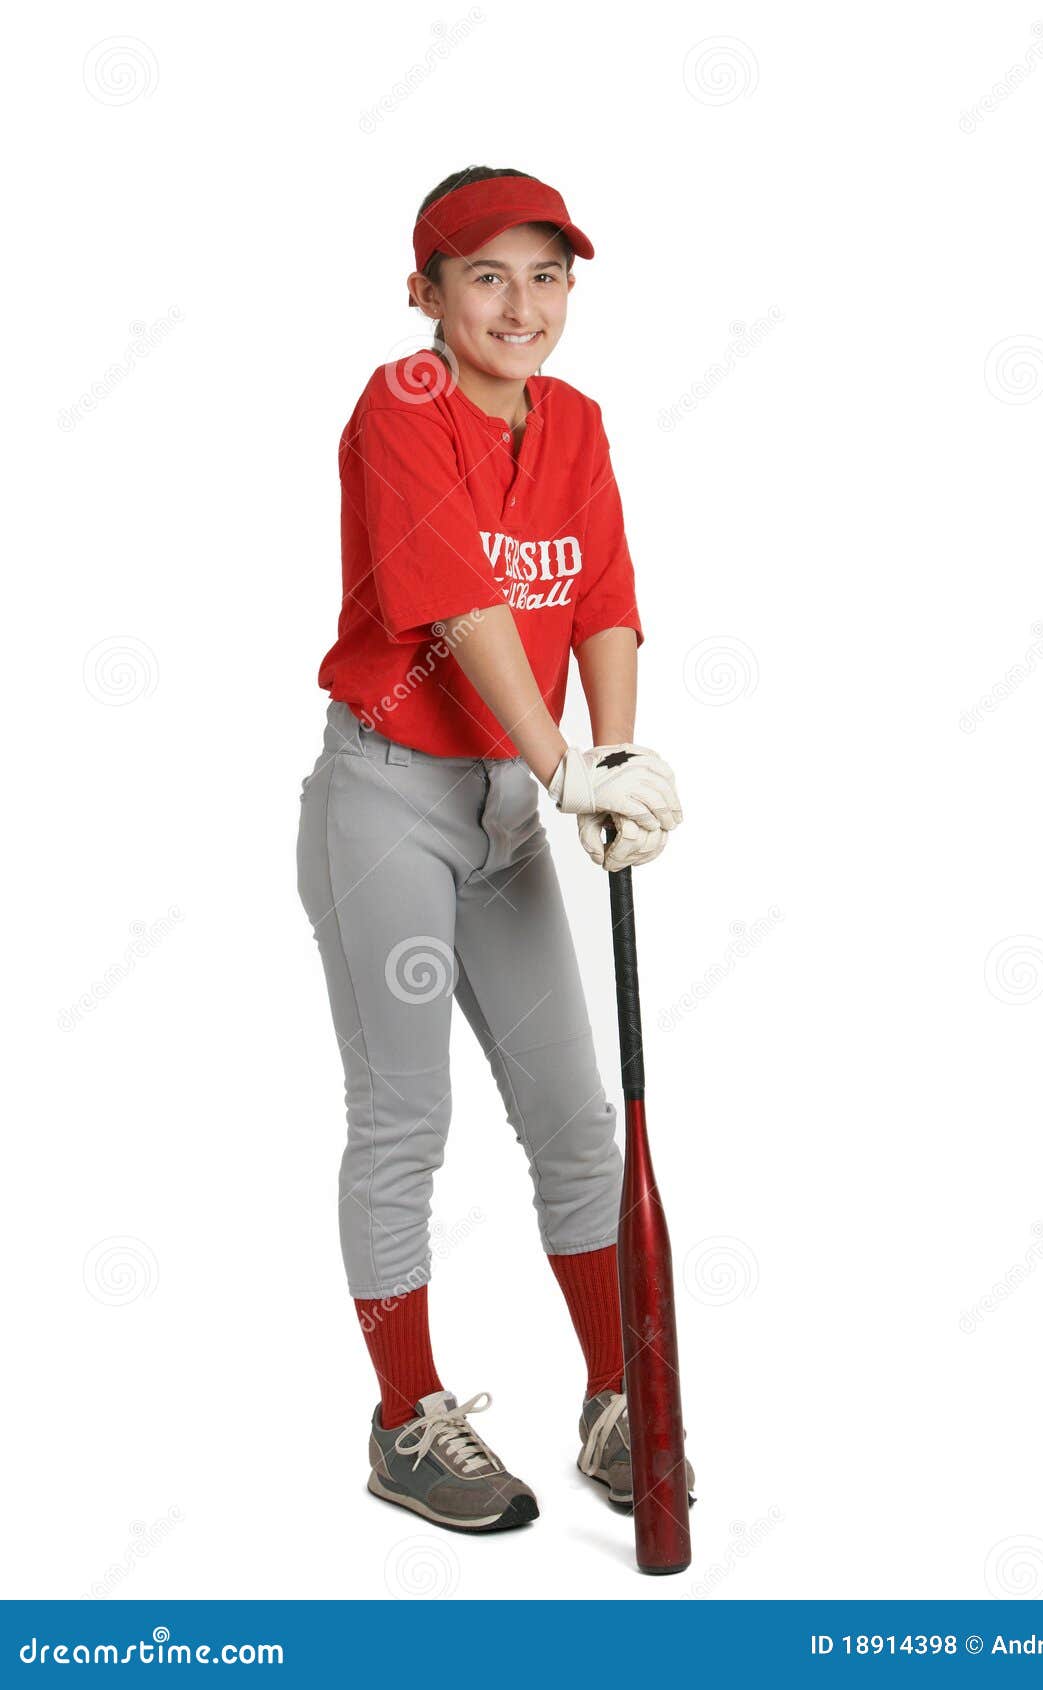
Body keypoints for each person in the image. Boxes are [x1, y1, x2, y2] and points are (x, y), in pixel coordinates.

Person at [296, 166, 694, 1533]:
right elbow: (465, 610)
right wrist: (564, 760)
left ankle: (613, 1403)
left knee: (578, 1120)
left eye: (548, 275)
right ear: (426, 293)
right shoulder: (399, 406)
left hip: (507, 814)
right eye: (485, 275)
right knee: (407, 1116)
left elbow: (601, 598)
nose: (521, 305)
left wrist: (617, 761)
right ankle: (407, 1421)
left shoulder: (572, 419)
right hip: (387, 799)